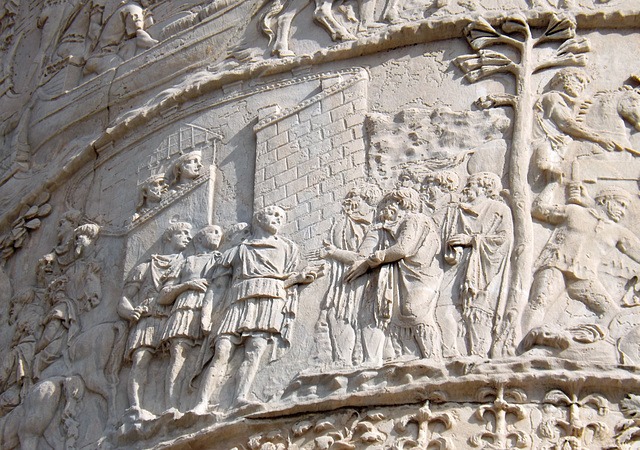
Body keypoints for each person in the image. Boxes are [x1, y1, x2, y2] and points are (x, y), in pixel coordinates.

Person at [192, 206, 323, 414]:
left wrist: (298, 279)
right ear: (259, 218)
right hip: (237, 300)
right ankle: (202, 402)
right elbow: (218, 286)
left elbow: (282, 280)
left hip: (269, 300)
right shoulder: (237, 251)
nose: (277, 219)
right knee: (222, 350)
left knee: (254, 350)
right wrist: (207, 313)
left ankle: (240, 397)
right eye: (273, 214)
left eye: (281, 217)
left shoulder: (288, 248)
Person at [521, 184, 640, 342]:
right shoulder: (574, 211)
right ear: (605, 200)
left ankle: (583, 340)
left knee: (611, 311)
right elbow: (537, 209)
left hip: (585, 278)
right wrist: (552, 183)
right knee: (539, 302)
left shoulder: (618, 232)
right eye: (621, 204)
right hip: (556, 267)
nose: (623, 211)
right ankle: (525, 343)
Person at [346, 187, 443, 364]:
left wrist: (374, 259)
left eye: (389, 203)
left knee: (415, 313)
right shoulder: (407, 222)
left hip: (418, 274)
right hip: (412, 272)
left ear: (401, 203)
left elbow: (402, 249)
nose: (385, 208)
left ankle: (432, 357)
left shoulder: (413, 219)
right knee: (406, 313)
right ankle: (416, 355)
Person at [117, 222, 190, 420]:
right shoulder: (145, 267)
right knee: (141, 359)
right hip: (148, 316)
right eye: (182, 233)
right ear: (169, 236)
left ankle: (172, 405)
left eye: (189, 233)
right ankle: (135, 407)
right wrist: (132, 312)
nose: (187, 237)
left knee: (176, 357)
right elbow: (124, 299)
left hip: (175, 315)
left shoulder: (186, 263)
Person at [310, 185, 381, 365]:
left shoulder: (374, 226)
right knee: (337, 314)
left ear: (366, 201)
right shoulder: (343, 222)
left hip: (363, 277)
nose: (350, 202)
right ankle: (343, 361)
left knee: (361, 316)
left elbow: (360, 257)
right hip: (341, 277)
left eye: (355, 198)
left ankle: (368, 360)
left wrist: (332, 252)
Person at [445, 172, 512, 357]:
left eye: (471, 183)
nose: (466, 187)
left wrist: (472, 240)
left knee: (478, 308)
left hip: (485, 265)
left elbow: (503, 239)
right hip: (463, 264)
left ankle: (479, 353)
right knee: (455, 308)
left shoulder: (499, 209)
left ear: (486, 187)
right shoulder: (459, 210)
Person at [158, 225, 222, 412]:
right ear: (200, 239)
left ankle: (201, 401)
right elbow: (163, 295)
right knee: (178, 354)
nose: (218, 235)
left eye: (220, 233)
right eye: (213, 232)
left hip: (212, 307)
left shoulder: (220, 259)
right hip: (184, 309)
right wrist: (187, 285)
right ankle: (170, 405)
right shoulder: (186, 262)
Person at [83, 0, 157, 76]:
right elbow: (140, 37)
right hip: (102, 56)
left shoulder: (135, 9)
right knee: (126, 74)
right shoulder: (132, 8)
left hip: (112, 52)